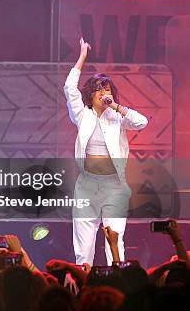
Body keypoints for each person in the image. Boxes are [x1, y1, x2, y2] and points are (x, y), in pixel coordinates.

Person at [63, 38, 148, 266]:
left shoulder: (117, 117)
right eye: (99, 90)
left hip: (114, 186)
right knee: (84, 245)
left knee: (115, 240)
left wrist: (116, 107)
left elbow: (142, 122)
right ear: (90, 95)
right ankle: (82, 285)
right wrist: (82, 56)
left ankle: (117, 283)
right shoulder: (82, 115)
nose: (103, 94)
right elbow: (69, 88)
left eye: (107, 90)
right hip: (87, 185)